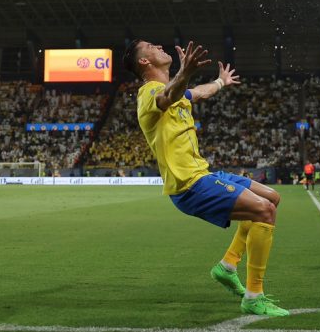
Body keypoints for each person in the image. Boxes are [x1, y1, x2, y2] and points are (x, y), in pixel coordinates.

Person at [123, 39, 288, 317]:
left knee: (272, 197)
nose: (159, 45)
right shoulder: (148, 94)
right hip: (189, 185)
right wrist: (184, 72)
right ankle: (253, 295)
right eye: (151, 46)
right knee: (264, 211)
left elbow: (199, 92)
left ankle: (227, 267)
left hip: (205, 173)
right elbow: (168, 96)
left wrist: (221, 82)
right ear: (144, 62)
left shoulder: (176, 92)